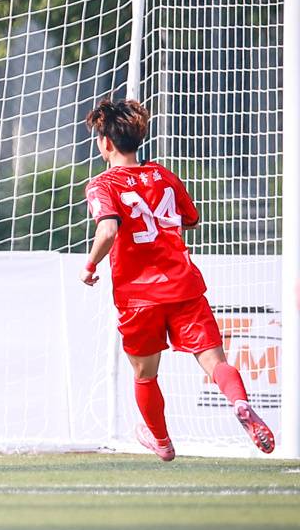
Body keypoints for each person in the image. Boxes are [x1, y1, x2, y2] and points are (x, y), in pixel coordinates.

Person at [80, 98, 274, 460]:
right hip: (183, 285)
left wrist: (90, 266)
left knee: (145, 375)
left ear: (105, 142)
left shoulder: (102, 184)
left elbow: (107, 230)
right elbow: (189, 218)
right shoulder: (164, 176)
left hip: (138, 296)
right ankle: (239, 403)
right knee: (215, 362)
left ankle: (162, 442)